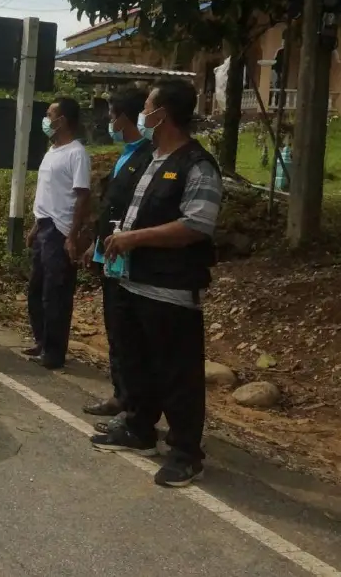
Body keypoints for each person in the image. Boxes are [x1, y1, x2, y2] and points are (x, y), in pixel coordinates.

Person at [90, 79, 222, 488]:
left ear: (162, 114)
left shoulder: (197, 165)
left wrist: (134, 238)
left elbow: (196, 225)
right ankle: (139, 428)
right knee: (136, 363)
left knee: (176, 372)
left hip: (170, 287)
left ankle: (185, 452)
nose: (143, 114)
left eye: (148, 106)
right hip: (131, 280)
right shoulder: (150, 157)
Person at [79, 86, 154, 427]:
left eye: (111, 115)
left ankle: (134, 404)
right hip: (109, 255)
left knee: (128, 333)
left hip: (132, 261)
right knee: (114, 328)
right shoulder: (126, 154)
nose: (109, 121)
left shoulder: (150, 157)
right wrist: (94, 247)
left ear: (125, 117)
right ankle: (120, 394)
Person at [26, 98, 91, 370]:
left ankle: (54, 352)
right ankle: (42, 340)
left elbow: (83, 196)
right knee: (37, 289)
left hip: (60, 229)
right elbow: (47, 194)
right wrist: (34, 227)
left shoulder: (77, 153)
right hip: (44, 225)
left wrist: (72, 235)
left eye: (50, 114)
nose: (46, 119)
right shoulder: (51, 151)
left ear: (62, 120)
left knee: (56, 293)